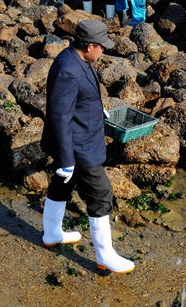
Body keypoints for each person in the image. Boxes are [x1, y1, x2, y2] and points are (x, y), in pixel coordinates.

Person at [40, 19, 134, 274]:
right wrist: (67, 159)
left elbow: (79, 98)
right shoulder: (68, 69)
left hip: (82, 136)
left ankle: (51, 233)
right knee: (101, 193)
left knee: (63, 183)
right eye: (101, 47)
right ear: (89, 46)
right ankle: (105, 255)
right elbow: (60, 116)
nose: (103, 51)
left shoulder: (80, 59)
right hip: (78, 145)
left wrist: (97, 107)